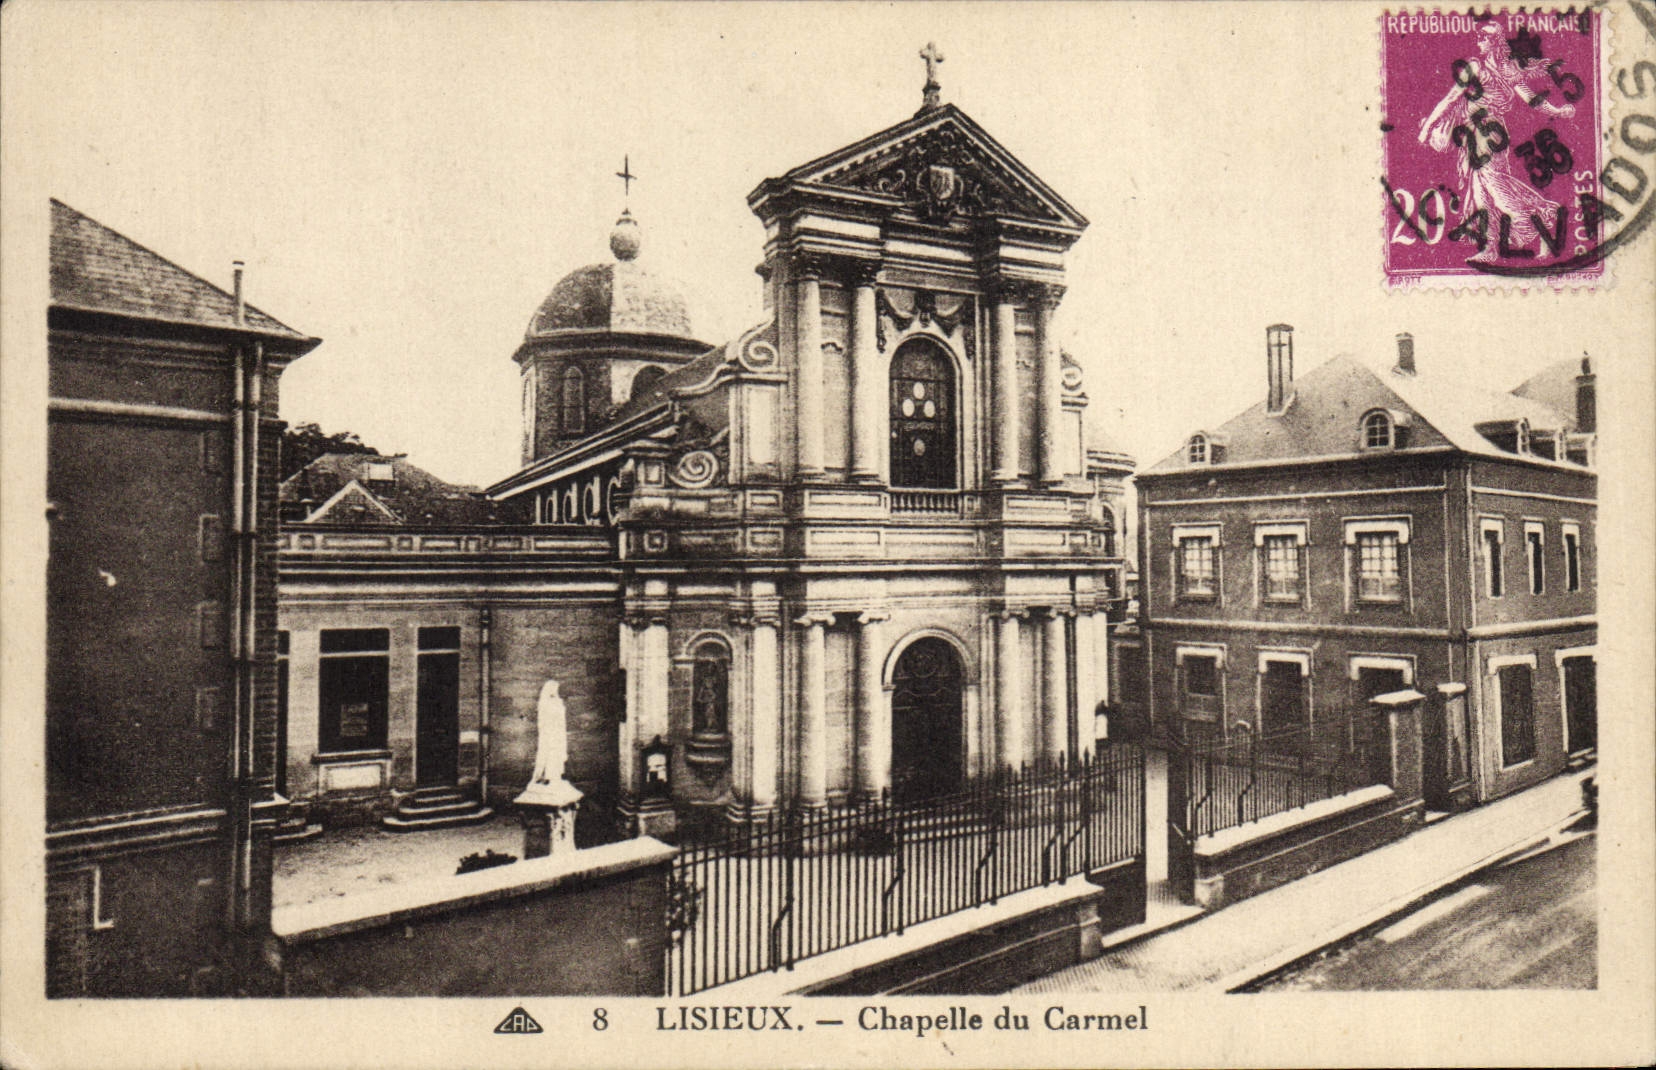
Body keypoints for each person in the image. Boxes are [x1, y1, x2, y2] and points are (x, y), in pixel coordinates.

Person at [1418, 22, 1577, 260]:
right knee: (1482, 191)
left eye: (1483, 38)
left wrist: (1558, 111)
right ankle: (1490, 247)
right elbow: (1452, 98)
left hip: (1489, 134)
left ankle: (1541, 223)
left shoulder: (1496, 69)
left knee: (1496, 189)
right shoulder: (1487, 67)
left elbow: (1532, 99)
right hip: (1479, 135)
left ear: (1494, 42)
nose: (1478, 42)